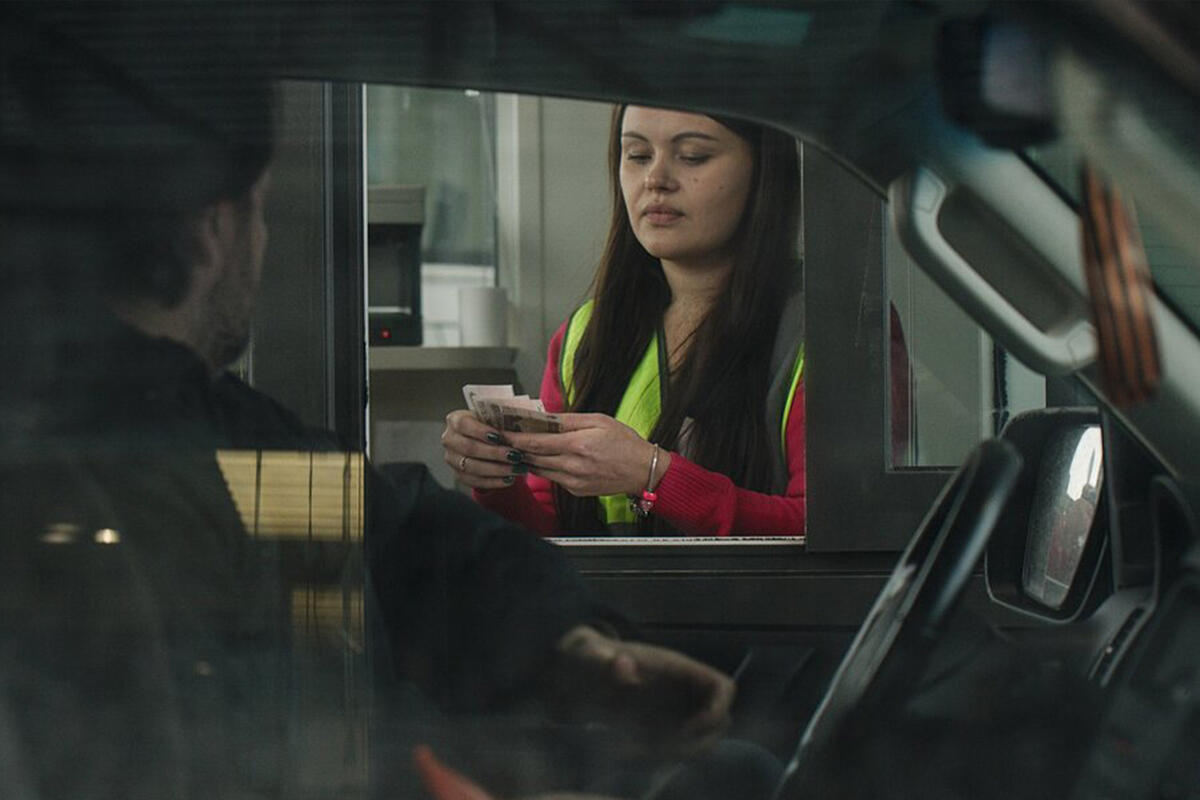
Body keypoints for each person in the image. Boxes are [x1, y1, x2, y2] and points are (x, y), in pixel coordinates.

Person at [0, 16, 753, 799]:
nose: (657, 179)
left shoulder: (191, 437)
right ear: (209, 232)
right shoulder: (183, 456)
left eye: (693, 154)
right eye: (261, 209)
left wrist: (577, 651)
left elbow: (406, 537)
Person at [443, 106, 805, 536]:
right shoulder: (586, 334)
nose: (655, 179)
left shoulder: (818, 331)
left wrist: (653, 475)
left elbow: (829, 532)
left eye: (693, 156)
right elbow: (552, 533)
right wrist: (494, 480)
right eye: (637, 155)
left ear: (764, 171)